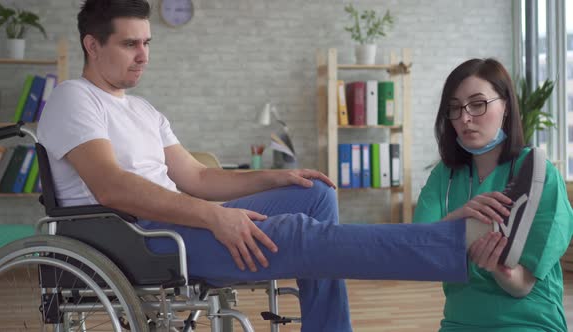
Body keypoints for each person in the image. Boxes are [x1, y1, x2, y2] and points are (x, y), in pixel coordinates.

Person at [37, 1, 539, 331]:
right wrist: (214, 216)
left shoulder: (143, 110)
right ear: (92, 44)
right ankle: (462, 240)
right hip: (137, 237)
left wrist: (277, 176)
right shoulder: (74, 99)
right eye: (130, 44)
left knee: (313, 196)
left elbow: (198, 178)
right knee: (297, 236)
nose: (143, 55)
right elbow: (111, 186)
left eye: (147, 42)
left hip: (172, 219)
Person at [414, 58, 573, 331]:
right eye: (454, 108)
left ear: (507, 106)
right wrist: (457, 224)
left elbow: (522, 285)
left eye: (477, 104)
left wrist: (501, 268)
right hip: (458, 322)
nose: (465, 117)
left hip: (528, 321)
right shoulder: (445, 176)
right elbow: (418, 251)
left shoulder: (539, 174)